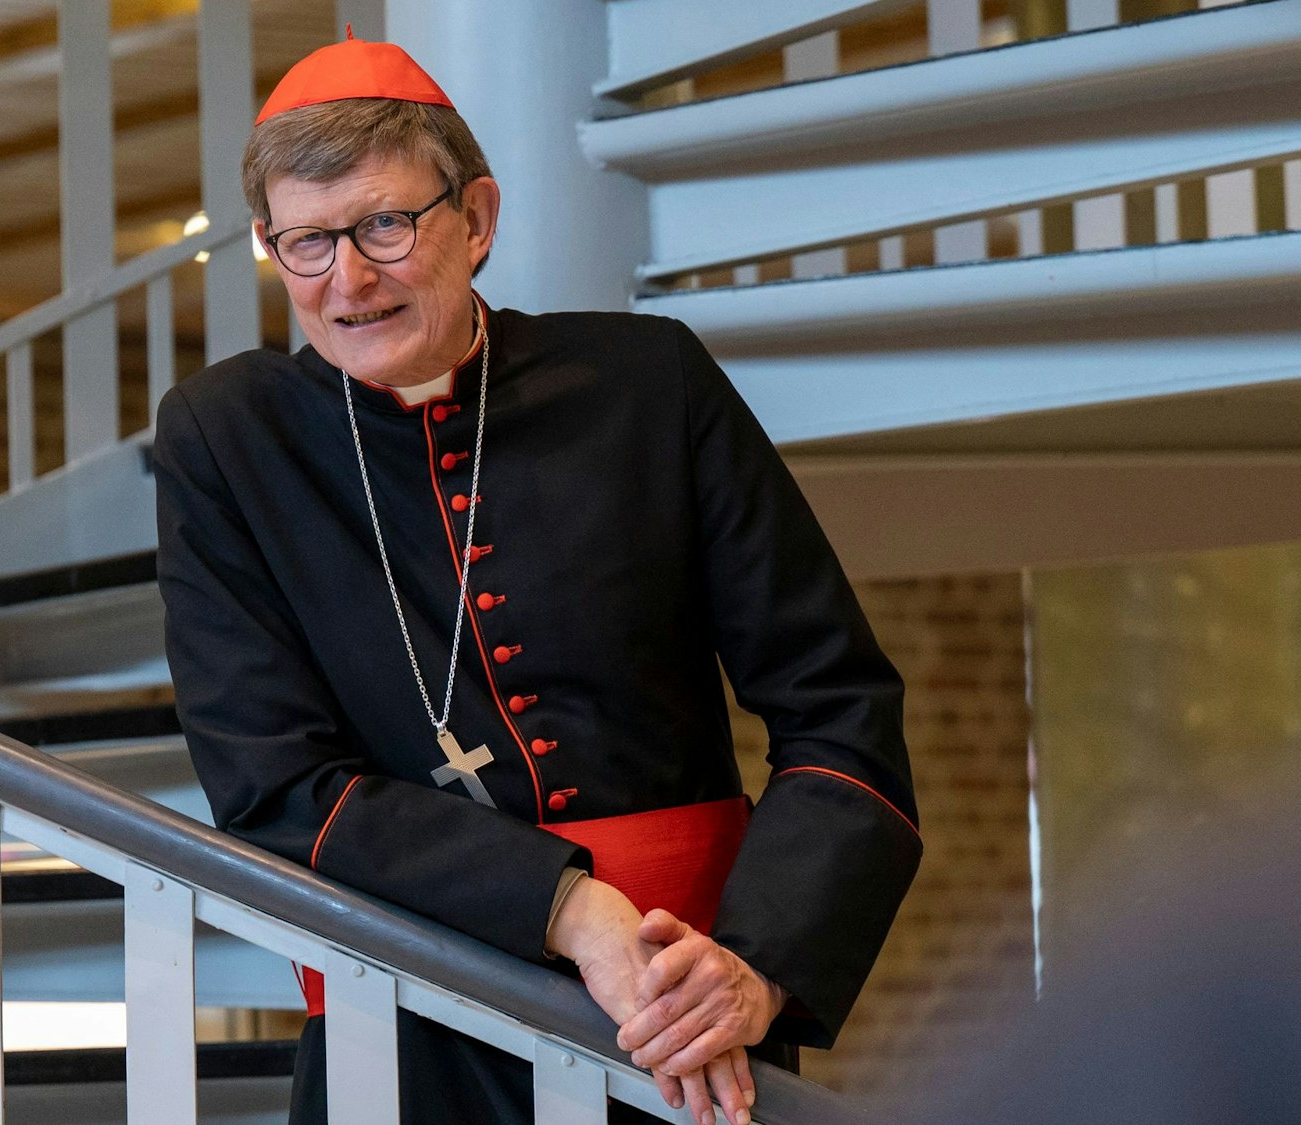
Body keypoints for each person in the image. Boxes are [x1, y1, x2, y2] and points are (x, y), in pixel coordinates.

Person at [153, 33, 921, 1125]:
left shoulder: (647, 384)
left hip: (681, 1012)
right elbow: (271, 785)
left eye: (384, 225)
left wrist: (754, 970)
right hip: (403, 1028)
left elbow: (837, 707)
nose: (347, 280)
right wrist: (568, 909)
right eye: (305, 242)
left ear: (475, 218)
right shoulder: (229, 438)